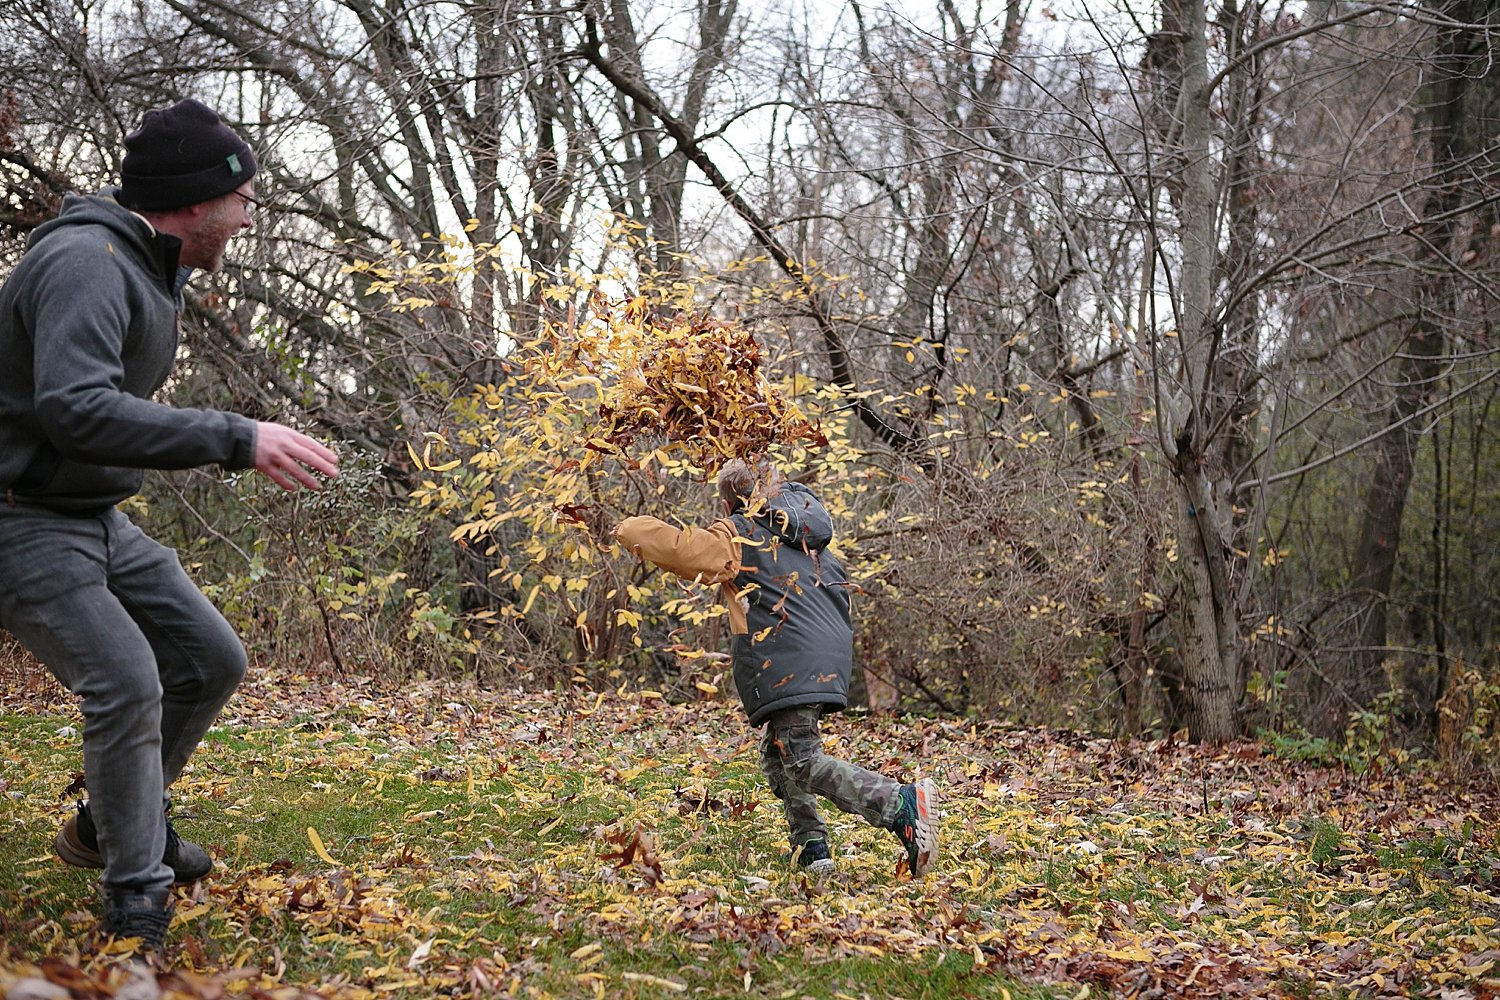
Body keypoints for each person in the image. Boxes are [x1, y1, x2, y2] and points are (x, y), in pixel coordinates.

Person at [0, 98, 339, 950]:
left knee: (209, 658)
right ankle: (135, 898)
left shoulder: (147, 264)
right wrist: (236, 436)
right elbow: (75, 409)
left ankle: (112, 824)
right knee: (126, 680)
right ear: (195, 203)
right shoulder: (87, 263)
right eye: (245, 199)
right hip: (19, 515)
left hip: (83, 510)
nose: (250, 215)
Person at [614, 459, 939, 877]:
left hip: (787, 656)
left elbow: (684, 551)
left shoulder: (743, 533)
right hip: (822, 654)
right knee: (779, 753)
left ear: (732, 499)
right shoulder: (808, 533)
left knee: (801, 759)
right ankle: (811, 848)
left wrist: (627, 529)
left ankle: (899, 804)